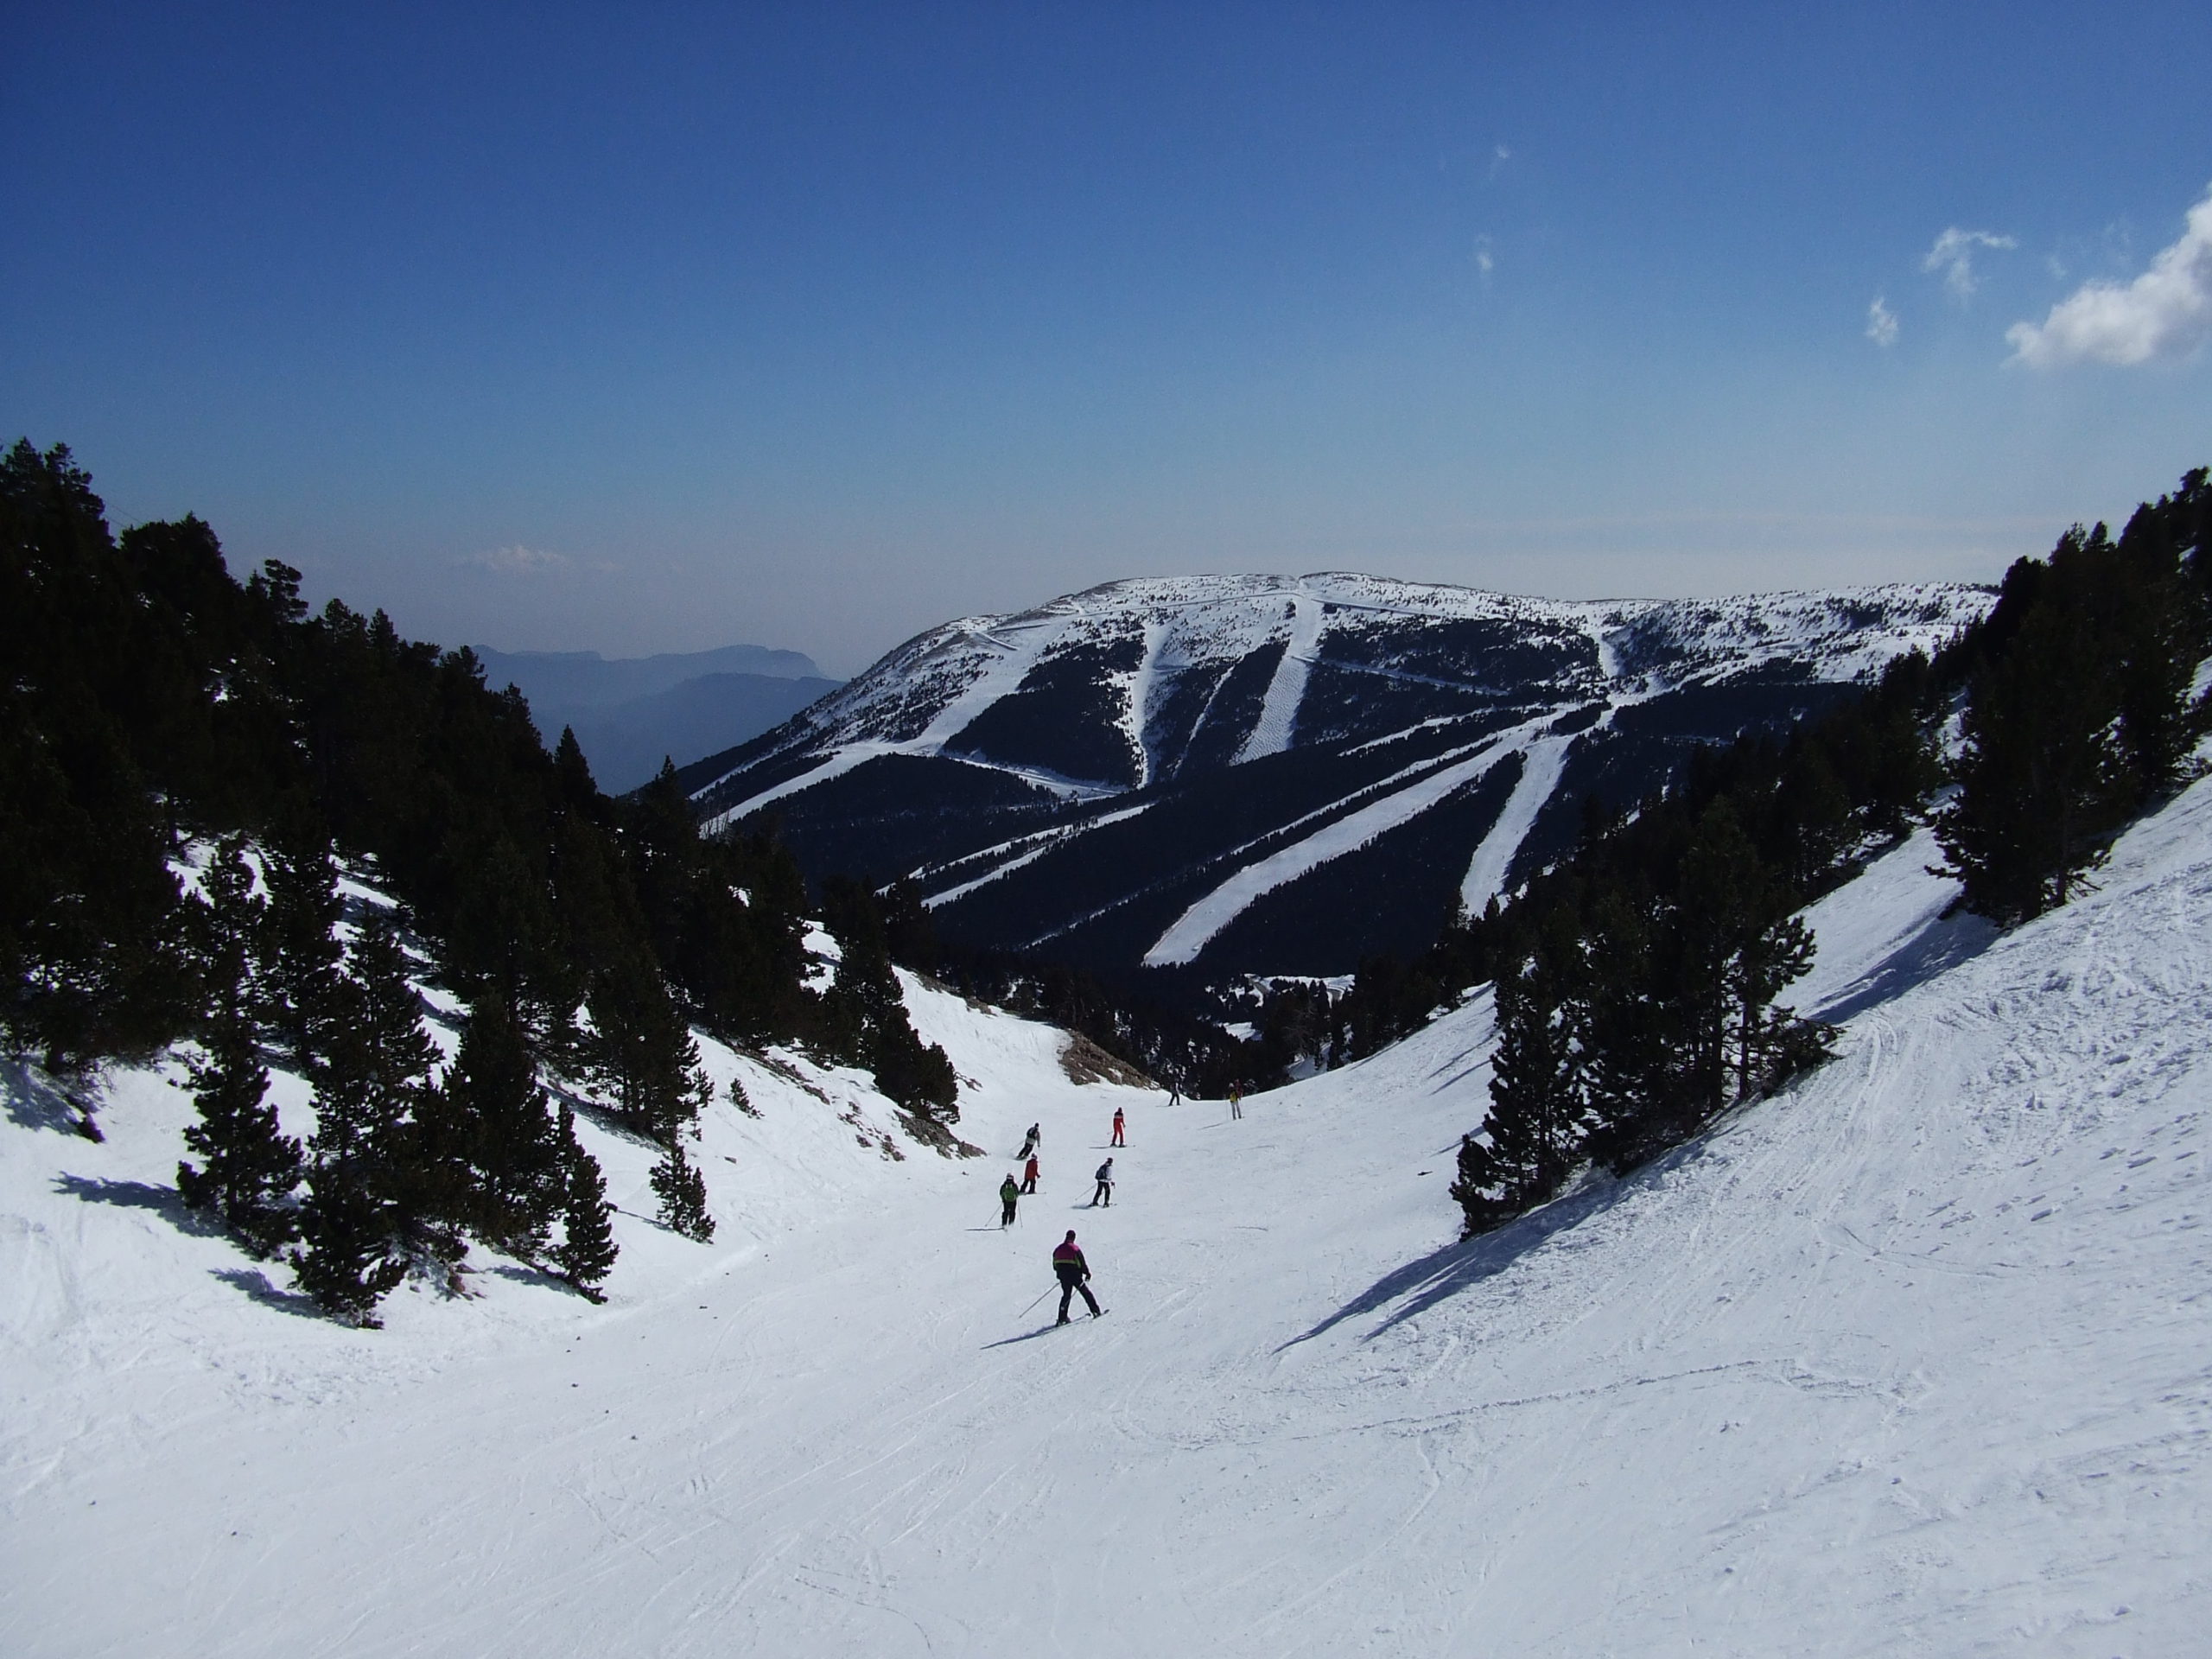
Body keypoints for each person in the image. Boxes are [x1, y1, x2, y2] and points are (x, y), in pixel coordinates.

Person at [1052, 1230, 1102, 1324]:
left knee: (1066, 1295)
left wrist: (1060, 1273)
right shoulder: (1075, 1249)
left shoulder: (1058, 1249)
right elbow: (1081, 1263)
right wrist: (1087, 1273)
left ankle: (1062, 1318)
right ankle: (1095, 1311)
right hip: (1075, 1276)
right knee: (1085, 1292)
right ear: (1073, 1238)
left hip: (1063, 1276)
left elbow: (1055, 1263)